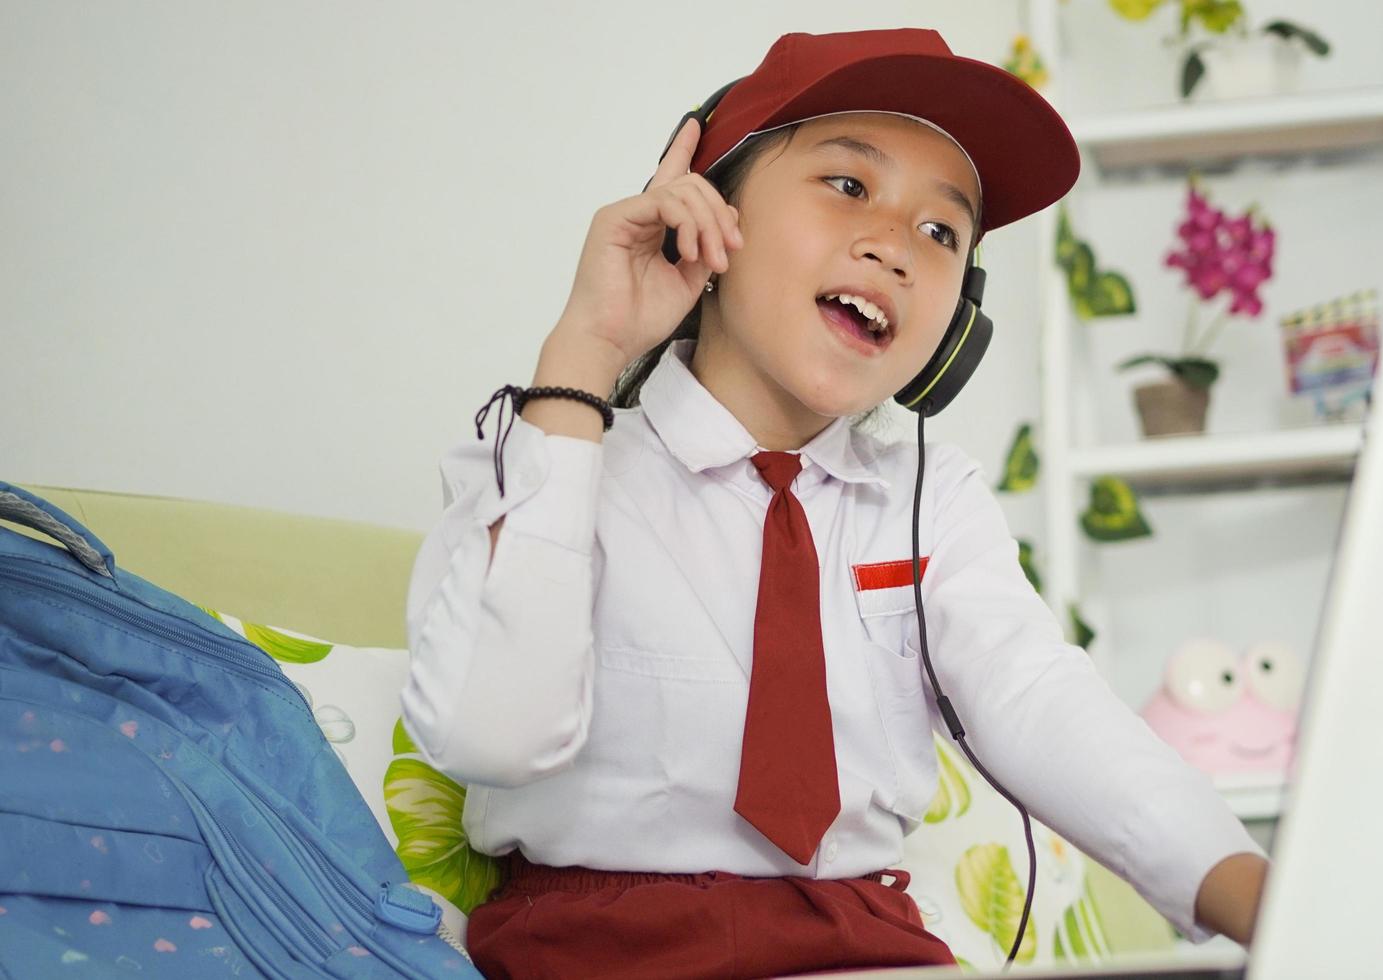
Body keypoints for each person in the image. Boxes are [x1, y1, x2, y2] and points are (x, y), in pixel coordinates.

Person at [401, 27, 1269, 980]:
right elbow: (492, 734)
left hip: (863, 946)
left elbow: (1040, 700)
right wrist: (585, 355)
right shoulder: (551, 455)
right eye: (849, 185)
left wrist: (1266, 900)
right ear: (707, 213)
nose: (895, 247)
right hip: (595, 948)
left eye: (942, 233)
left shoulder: (931, 502)